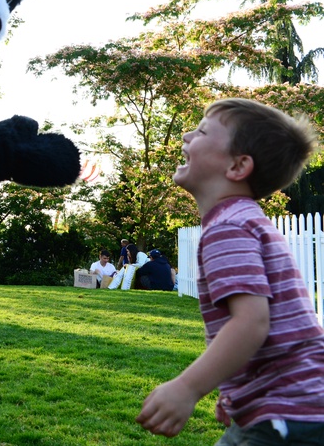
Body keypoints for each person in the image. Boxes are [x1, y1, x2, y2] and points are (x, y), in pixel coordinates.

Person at [137, 98, 324, 444]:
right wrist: (235, 391)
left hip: (287, 412)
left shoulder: (229, 227)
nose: (186, 134)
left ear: (238, 167)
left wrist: (187, 387)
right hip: (295, 407)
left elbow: (252, 322)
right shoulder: (245, 220)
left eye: (203, 130)